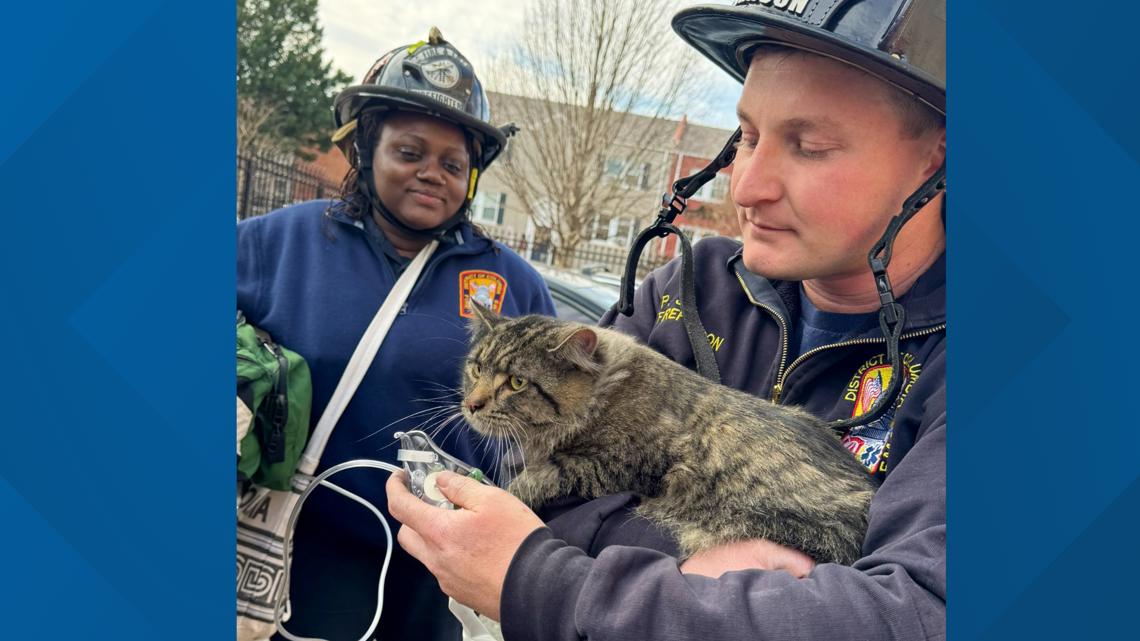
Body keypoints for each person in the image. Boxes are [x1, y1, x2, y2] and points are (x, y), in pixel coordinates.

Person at [387, 0, 947, 639]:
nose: (745, 187)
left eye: (809, 146)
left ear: (934, 159)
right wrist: (700, 577)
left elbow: (918, 615)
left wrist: (546, 582)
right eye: (747, 137)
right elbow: (547, 483)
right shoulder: (691, 287)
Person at [237, 28, 555, 641]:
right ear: (366, 149)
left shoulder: (514, 287)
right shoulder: (283, 243)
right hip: (303, 552)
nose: (432, 173)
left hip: (448, 572)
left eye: (453, 163)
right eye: (410, 152)